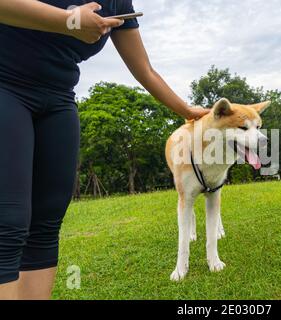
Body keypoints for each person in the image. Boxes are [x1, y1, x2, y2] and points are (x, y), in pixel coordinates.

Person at [0, 0, 210, 300]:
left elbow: (145, 70)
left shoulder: (117, 2)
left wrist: (186, 110)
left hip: (58, 99)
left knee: (46, 223)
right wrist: (70, 20)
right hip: (5, 86)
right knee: (7, 222)